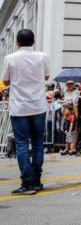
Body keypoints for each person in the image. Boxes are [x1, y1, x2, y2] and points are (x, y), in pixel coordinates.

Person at [1, 29, 50, 195]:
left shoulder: (10, 58)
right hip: (38, 106)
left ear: (17, 42)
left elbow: (5, 80)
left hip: (19, 107)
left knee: (22, 145)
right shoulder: (42, 56)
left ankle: (27, 183)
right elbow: (46, 77)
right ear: (34, 41)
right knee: (38, 144)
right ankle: (37, 181)